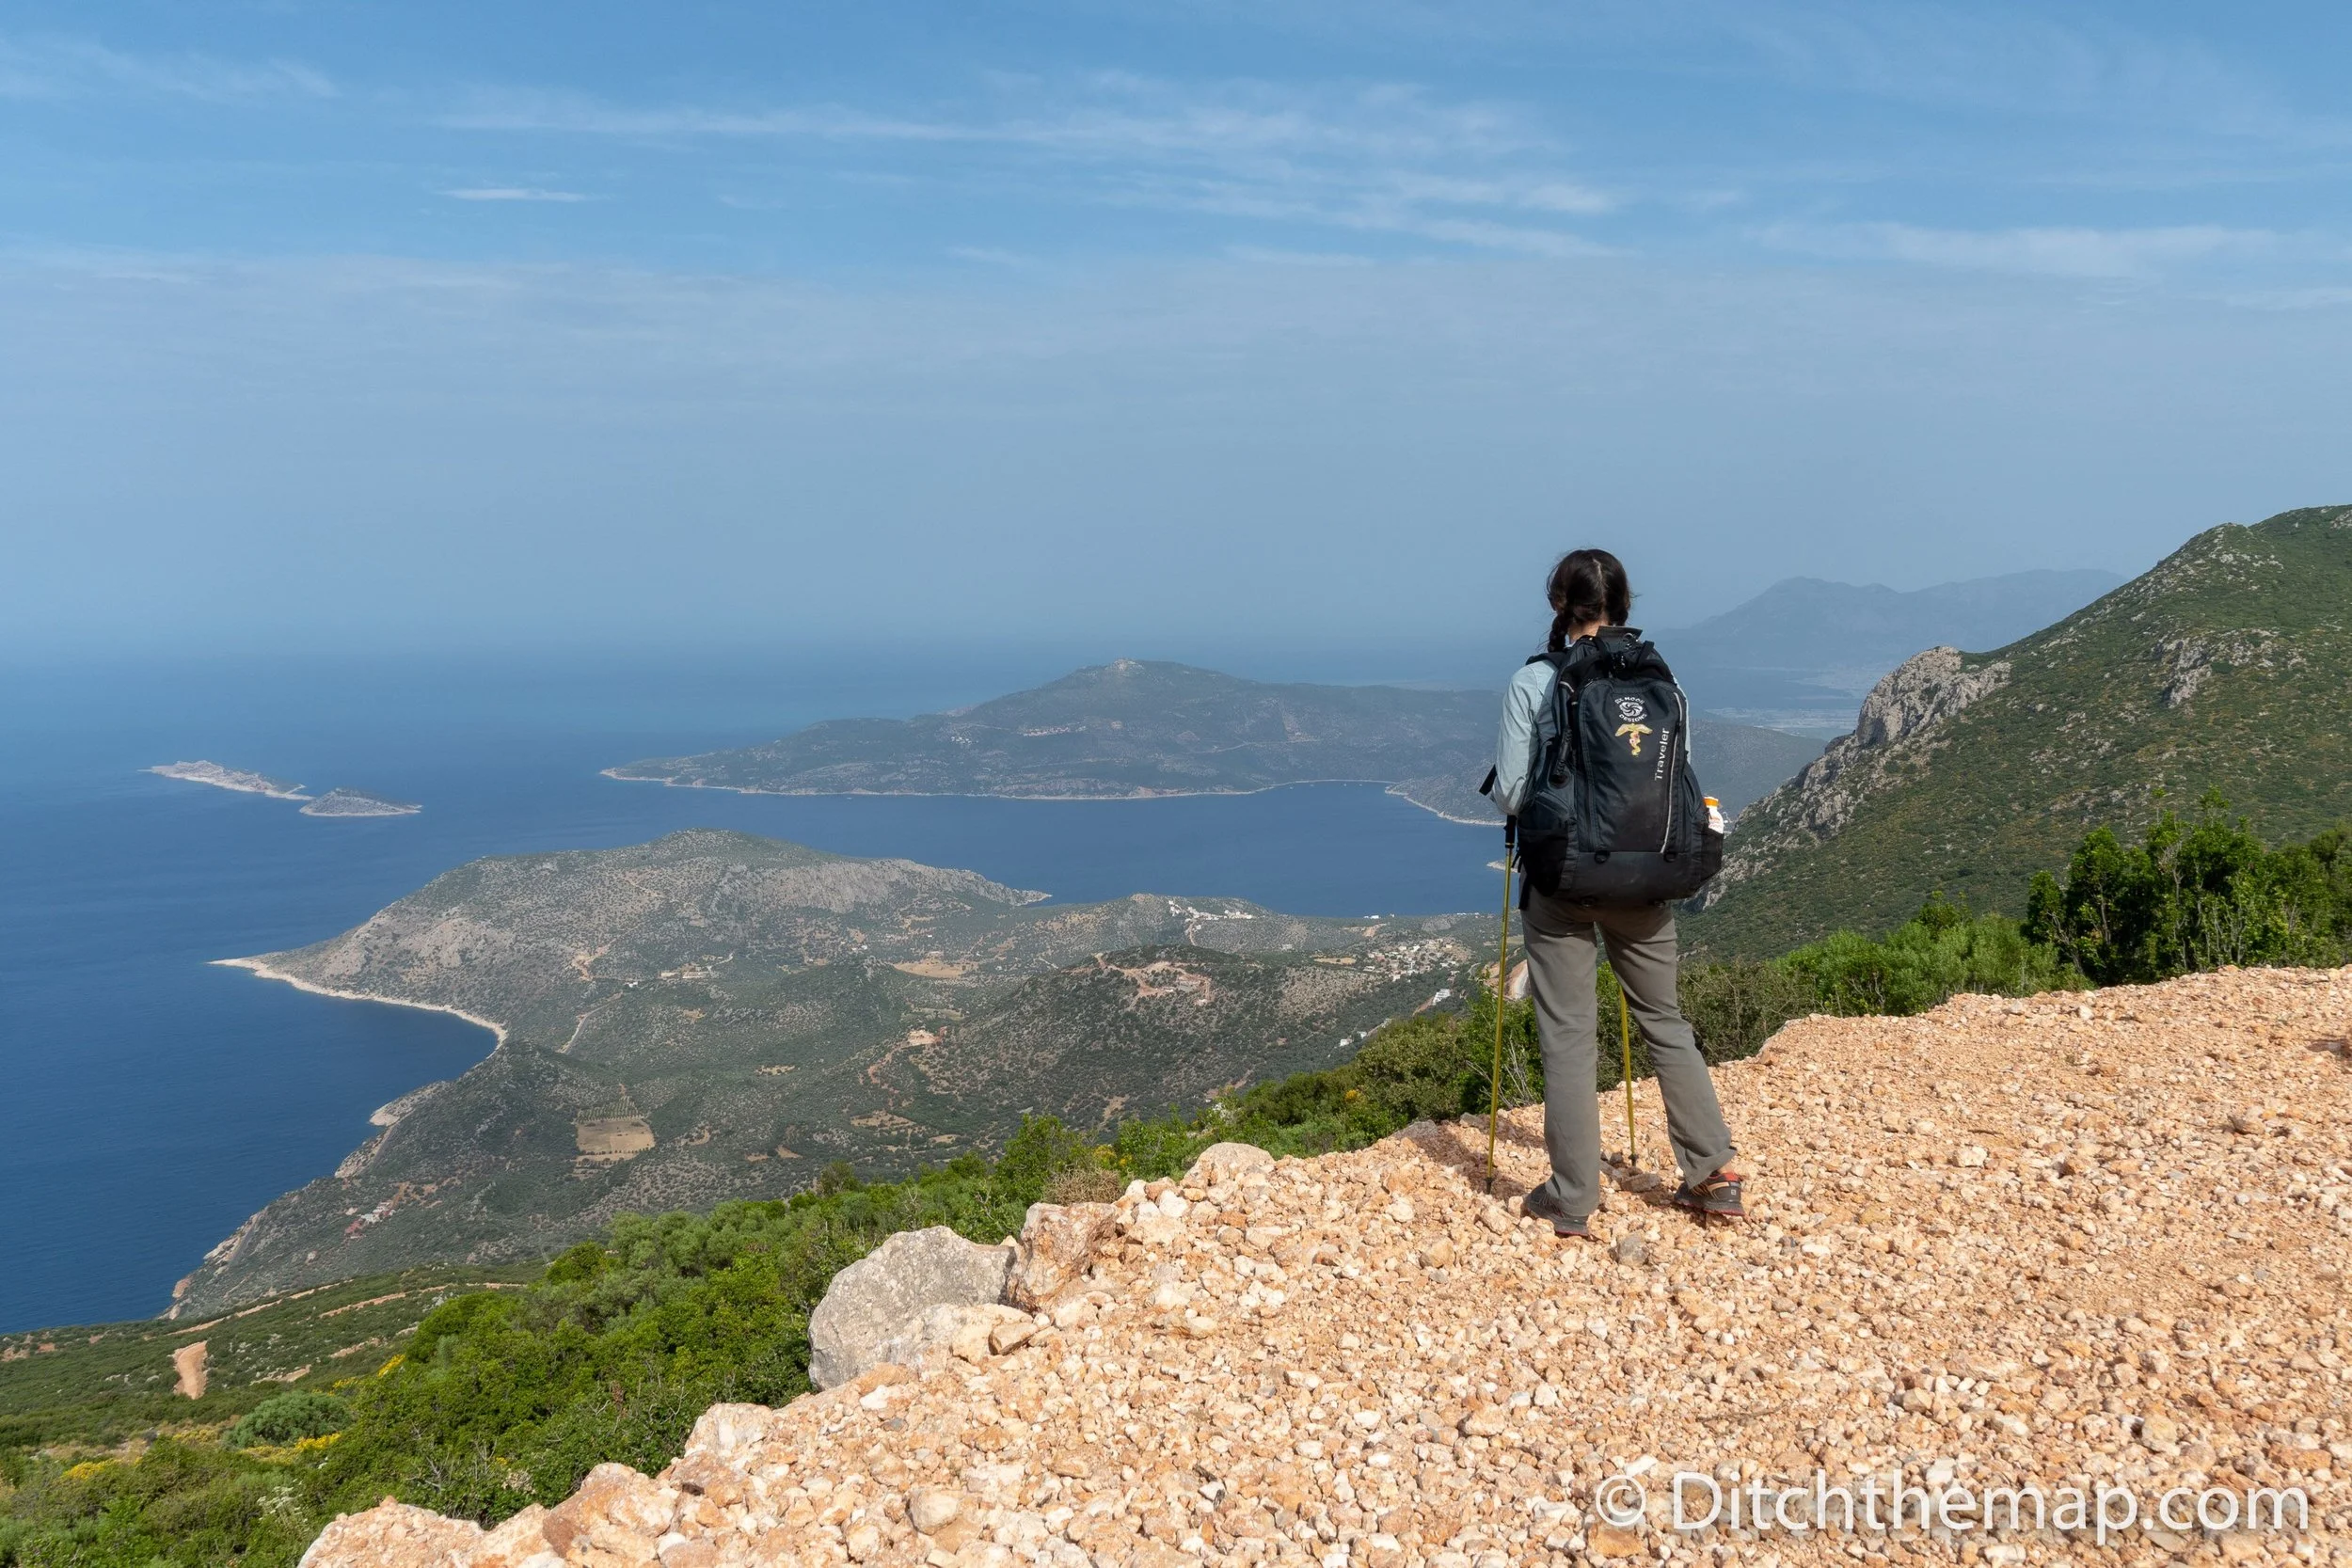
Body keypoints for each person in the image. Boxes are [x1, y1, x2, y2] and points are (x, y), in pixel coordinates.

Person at [1490, 547, 1742, 1240]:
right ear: (1622, 606)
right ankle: (1712, 1172)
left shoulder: (1532, 682)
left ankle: (1572, 1196)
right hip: (1649, 880)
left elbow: (1515, 792)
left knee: (1569, 1034)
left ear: (1557, 606)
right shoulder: (1664, 680)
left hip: (1566, 882)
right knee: (1664, 1019)